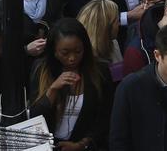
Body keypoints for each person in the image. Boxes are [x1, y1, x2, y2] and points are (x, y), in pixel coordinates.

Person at [29, 18, 112, 150]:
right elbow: (34, 118)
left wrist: (82, 144)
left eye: (78, 51)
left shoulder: (99, 72)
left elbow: (105, 117)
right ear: (54, 51)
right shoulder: (41, 70)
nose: (72, 58)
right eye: (65, 53)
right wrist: (52, 89)